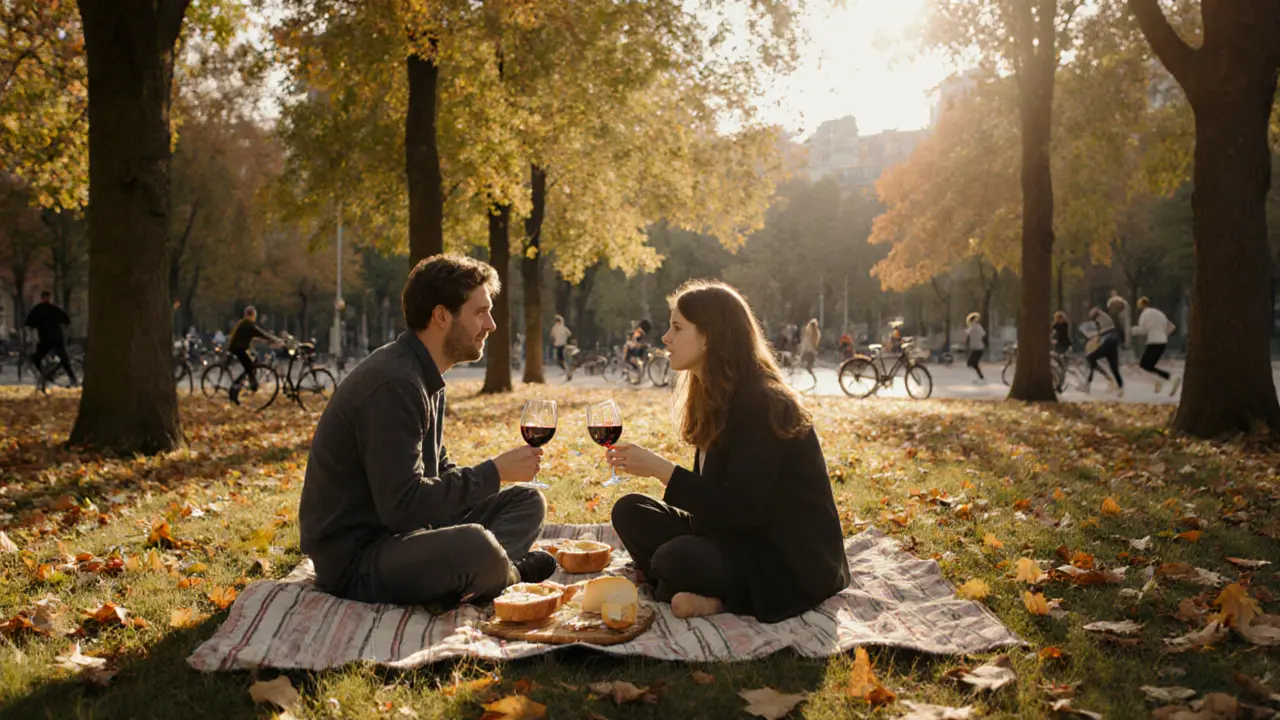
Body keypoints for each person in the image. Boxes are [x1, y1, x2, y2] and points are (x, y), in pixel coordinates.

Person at [298, 254, 555, 609]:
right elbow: (401, 507)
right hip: (357, 558)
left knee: (527, 501)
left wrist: (494, 479)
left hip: (407, 536)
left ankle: (472, 578)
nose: (492, 325)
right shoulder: (394, 384)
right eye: (480, 312)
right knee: (476, 547)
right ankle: (510, 575)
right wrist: (493, 472)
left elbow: (438, 471)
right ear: (441, 316)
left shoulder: (424, 375)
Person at [607, 280, 851, 623]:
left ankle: (713, 598)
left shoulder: (762, 402)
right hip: (735, 538)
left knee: (675, 558)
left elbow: (742, 510)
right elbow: (716, 514)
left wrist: (663, 470)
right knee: (630, 511)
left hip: (787, 559)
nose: (665, 338)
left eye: (677, 328)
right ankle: (685, 586)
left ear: (709, 336)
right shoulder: (711, 395)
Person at [226, 306, 280, 403]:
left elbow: (254, 336)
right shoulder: (248, 324)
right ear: (252, 315)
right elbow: (261, 333)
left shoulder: (244, 323)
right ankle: (234, 392)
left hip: (240, 348)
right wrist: (275, 339)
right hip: (238, 348)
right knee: (249, 367)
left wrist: (267, 340)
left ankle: (250, 382)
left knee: (251, 365)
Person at [24, 291, 77, 386]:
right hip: (56, 337)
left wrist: (34, 328)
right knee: (64, 359)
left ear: (42, 298)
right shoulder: (54, 309)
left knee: (35, 357)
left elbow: (28, 323)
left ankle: (44, 373)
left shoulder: (38, 309)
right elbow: (66, 320)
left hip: (46, 339)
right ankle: (72, 378)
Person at [1134, 297, 1181, 396]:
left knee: (1144, 365)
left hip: (1153, 342)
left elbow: (1143, 330)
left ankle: (1169, 379)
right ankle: (1160, 381)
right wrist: (1162, 334)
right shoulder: (1159, 313)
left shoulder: (1144, 314)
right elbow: (1172, 327)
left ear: (1141, 305)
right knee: (1149, 365)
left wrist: (1131, 331)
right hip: (1163, 342)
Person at [1082, 306, 1124, 396]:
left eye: (1093, 318)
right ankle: (1120, 388)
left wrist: (1095, 337)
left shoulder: (1100, 318)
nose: (1093, 320)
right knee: (1114, 368)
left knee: (1090, 358)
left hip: (1108, 343)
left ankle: (1087, 384)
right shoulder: (1105, 317)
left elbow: (1100, 332)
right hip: (1112, 344)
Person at [963, 312, 986, 383]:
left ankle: (980, 378)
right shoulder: (978, 326)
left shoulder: (972, 327)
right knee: (974, 363)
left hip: (977, 348)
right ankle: (980, 377)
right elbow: (983, 334)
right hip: (980, 347)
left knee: (971, 363)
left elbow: (966, 335)